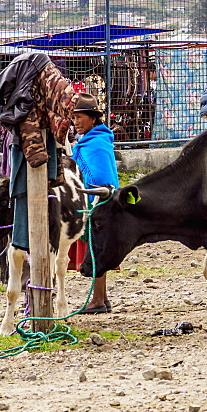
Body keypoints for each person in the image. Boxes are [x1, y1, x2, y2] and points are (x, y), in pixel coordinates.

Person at [71, 93, 118, 314]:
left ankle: (98, 300)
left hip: (98, 202)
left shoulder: (96, 144)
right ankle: (102, 297)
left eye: (80, 117)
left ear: (93, 118)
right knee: (95, 247)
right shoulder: (88, 142)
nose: (76, 122)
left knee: (96, 248)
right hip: (93, 201)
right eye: (73, 118)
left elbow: (100, 178)